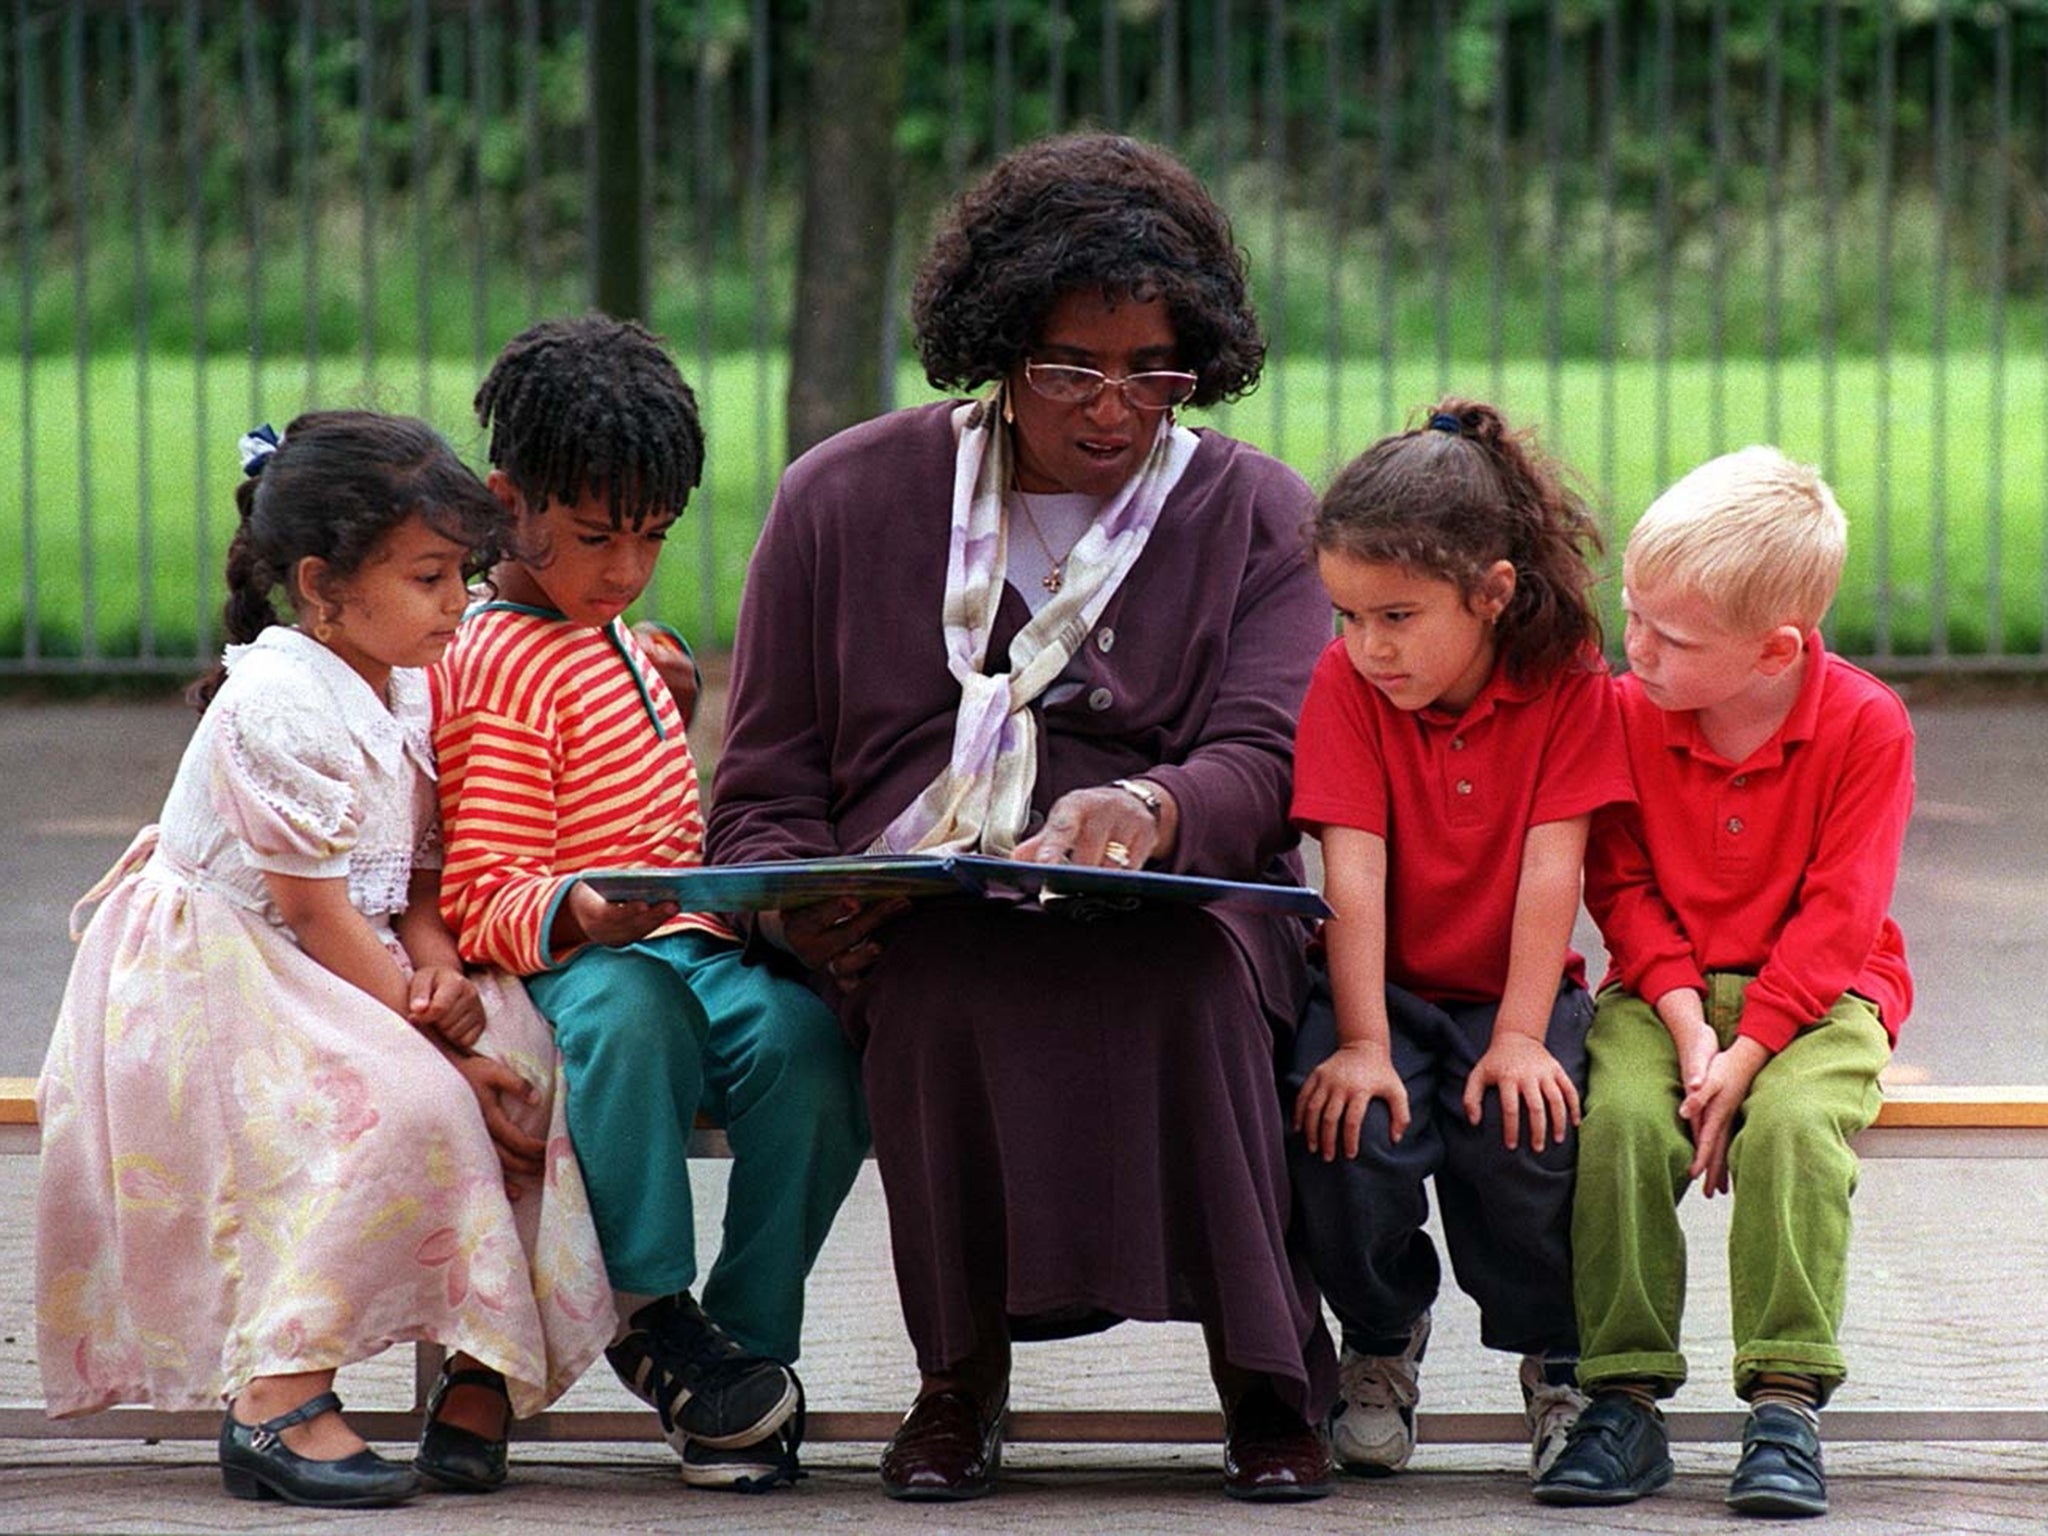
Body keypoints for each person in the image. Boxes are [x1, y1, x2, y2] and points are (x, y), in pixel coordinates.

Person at [707, 131, 1338, 1504]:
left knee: (1182, 976)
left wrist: (1152, 805)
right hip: (926, 911)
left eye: (1153, 372)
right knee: (940, 977)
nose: (1113, 408)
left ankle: (1270, 1373)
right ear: (996, 344)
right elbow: (759, 795)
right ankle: (960, 1381)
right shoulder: (844, 498)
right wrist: (814, 908)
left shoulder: (1254, 511)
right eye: (1071, 367)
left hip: (1185, 896)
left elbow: (1274, 753)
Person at [34, 411, 614, 1509]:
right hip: (219, 974)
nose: (459, 604)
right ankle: (274, 1391)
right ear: (321, 584)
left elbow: (419, 873)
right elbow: (313, 910)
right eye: (431, 577)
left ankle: (481, 1371)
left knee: (527, 1051)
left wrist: (439, 968)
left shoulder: (409, 676)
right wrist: (426, 1031)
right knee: (393, 1105)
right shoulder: (277, 700)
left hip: (343, 957)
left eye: (465, 575)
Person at [430, 314, 868, 1494]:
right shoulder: (498, 665)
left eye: (653, 539)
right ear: (504, 503)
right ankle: (648, 1311)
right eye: (594, 538)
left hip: (684, 945)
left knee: (811, 1048)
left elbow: (654, 778)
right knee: (635, 1014)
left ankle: (742, 1355)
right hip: (578, 967)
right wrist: (582, 909)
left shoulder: (612, 633)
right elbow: (478, 896)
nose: (624, 569)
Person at [1534, 447, 1913, 1518]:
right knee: (1614, 1124)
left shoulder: (1862, 724)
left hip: (1824, 996)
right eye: (1632, 614)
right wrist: (1691, 1031)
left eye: (1670, 636)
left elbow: (1840, 916)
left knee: (1792, 1129)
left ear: (1772, 652)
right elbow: (1621, 885)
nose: (1634, 648)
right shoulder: (1618, 711)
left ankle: (1785, 1403)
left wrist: (1748, 1057)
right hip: (1666, 994)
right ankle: (1622, 1399)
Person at [1282, 401, 1632, 1484]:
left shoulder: (1568, 678)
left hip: (1510, 993)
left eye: (1395, 615)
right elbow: (1353, 869)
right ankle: (1379, 1342)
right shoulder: (1346, 685)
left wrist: (1522, 1037)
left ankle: (1555, 1360)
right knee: (1347, 1136)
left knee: (1525, 1142)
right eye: (1346, 616)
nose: (1367, 646)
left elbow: (1549, 869)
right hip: (1373, 988)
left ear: (1489, 593)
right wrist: (1360, 1042)